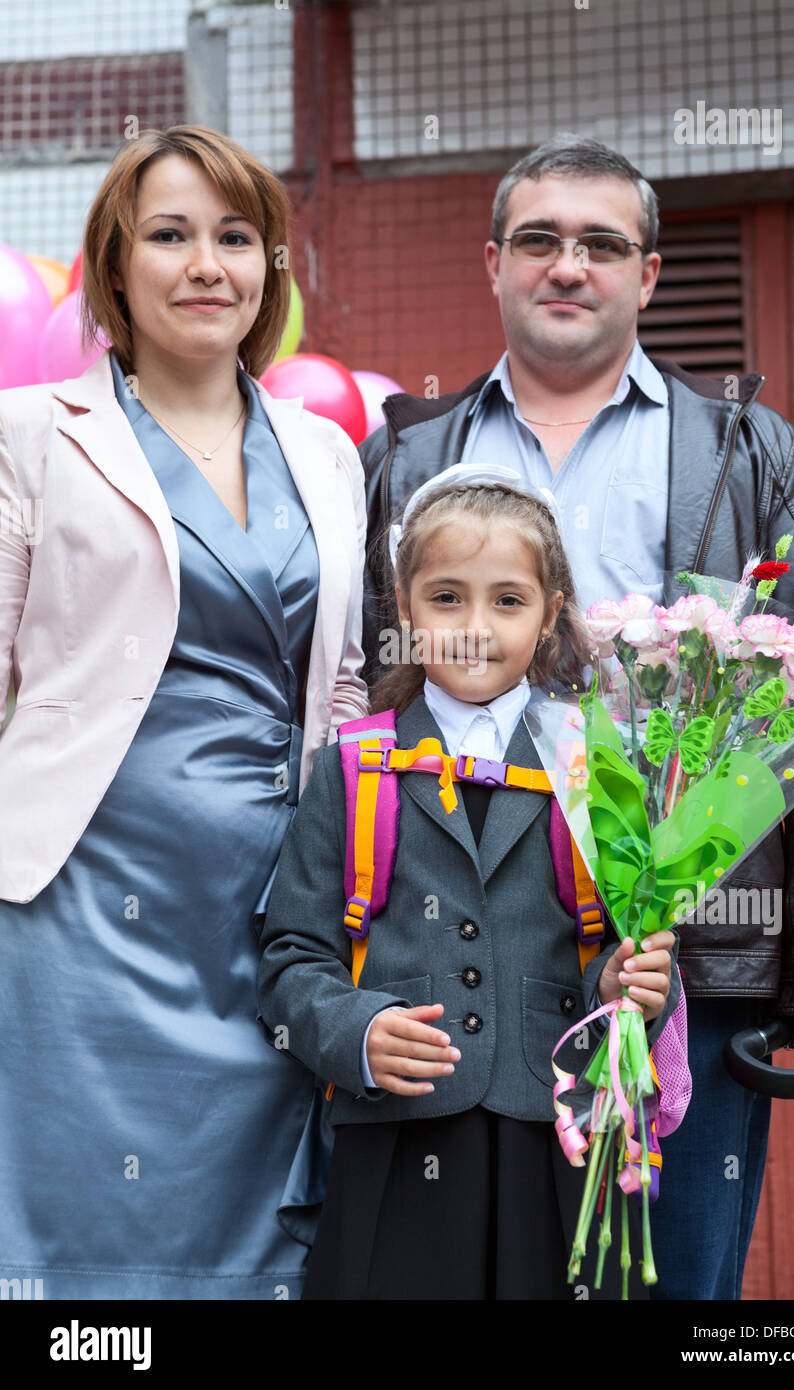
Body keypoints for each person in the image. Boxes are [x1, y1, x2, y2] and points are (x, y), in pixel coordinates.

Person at [358, 134, 794, 1299]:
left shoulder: (744, 445)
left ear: (645, 273)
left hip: (683, 947)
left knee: (678, 1287)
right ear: (492, 263)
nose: (565, 264)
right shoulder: (407, 453)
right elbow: (371, 689)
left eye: (600, 242)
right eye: (537, 239)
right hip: (468, 945)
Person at [0, 124, 368, 1299]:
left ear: (268, 267)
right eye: (169, 235)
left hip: (274, 912)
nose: (206, 263)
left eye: (234, 236)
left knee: (253, 1250)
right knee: (79, 1252)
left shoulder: (325, 452)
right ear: (115, 266)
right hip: (79, 913)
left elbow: (346, 681)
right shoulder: (30, 437)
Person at [257, 474, 679, 1300]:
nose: (474, 629)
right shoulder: (354, 763)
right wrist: (355, 1030)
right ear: (406, 611)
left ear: (551, 611)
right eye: (446, 598)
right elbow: (290, 956)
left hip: (562, 1139)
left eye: (508, 601)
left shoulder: (598, 766)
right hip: (395, 1136)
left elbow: (621, 952)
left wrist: (628, 985)